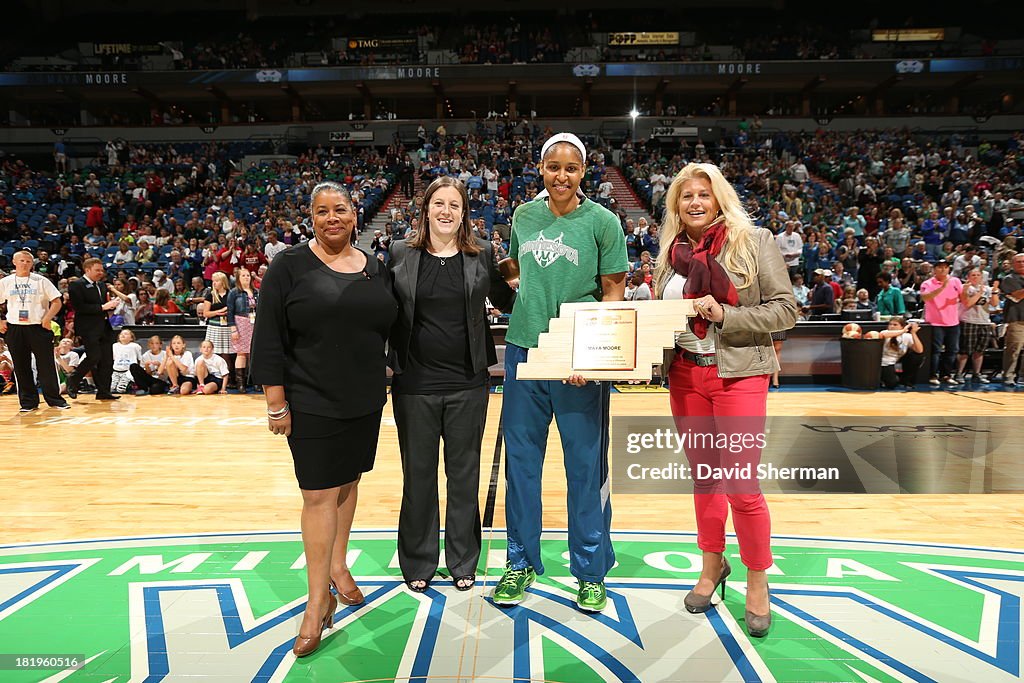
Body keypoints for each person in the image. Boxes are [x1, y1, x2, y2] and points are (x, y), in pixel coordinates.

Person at [250, 181, 398, 657]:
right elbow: (269, 334)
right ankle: (317, 604)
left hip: (365, 398)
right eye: (321, 211)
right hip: (310, 398)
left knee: (349, 482)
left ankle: (338, 567)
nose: (331, 217)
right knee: (317, 494)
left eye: (340, 209)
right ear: (311, 217)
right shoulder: (289, 265)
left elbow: (387, 324)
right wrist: (276, 401)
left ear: (355, 215)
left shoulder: (375, 267)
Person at [655, 162, 798, 638]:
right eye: (686, 196)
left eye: (703, 194)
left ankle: (758, 581)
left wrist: (728, 314)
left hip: (738, 375)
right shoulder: (669, 253)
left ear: (719, 198)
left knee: (741, 485)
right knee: (705, 479)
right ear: (676, 204)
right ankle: (712, 565)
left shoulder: (754, 240)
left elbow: (785, 309)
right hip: (685, 376)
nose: (695, 203)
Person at [492, 133, 628, 614]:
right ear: (541, 169)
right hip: (524, 352)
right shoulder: (524, 216)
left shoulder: (604, 222)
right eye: (553, 166)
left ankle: (590, 572)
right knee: (522, 466)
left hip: (578, 360)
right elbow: (515, 271)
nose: (561, 175)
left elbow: (614, 295)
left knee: (585, 469)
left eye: (571, 167)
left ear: (583, 172)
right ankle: (520, 562)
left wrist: (591, 357)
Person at [387, 176, 515, 593]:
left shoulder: (480, 255)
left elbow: (508, 301)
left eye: (454, 205)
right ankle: (419, 562)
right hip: (414, 384)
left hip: (467, 384)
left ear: (464, 213)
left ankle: (463, 561)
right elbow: (379, 308)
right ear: (425, 209)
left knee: (463, 476)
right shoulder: (400, 253)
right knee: (418, 476)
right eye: (438, 203)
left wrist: (542, 282)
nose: (446, 211)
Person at [0, 251, 70, 411]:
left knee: (46, 365)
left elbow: (57, 302)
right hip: (15, 328)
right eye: (22, 260)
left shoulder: (41, 281)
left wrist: (47, 318)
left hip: (38, 327)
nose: (25, 264)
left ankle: (55, 400)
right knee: (21, 366)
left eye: (28, 261)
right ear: (14, 262)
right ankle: (28, 403)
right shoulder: (6, 282)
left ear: (32, 264)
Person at [66, 258, 121, 401]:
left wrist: (111, 306)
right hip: (87, 328)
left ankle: (103, 391)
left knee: (107, 361)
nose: (100, 273)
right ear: (87, 270)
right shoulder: (76, 285)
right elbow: (80, 307)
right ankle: (73, 379)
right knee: (94, 356)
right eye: (97, 270)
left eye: (101, 270)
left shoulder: (101, 285)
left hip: (104, 326)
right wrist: (103, 307)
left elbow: (101, 306)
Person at [919, 259, 963, 386]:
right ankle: (933, 375)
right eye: (940, 267)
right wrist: (942, 288)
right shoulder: (927, 283)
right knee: (935, 351)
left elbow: (962, 298)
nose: (943, 269)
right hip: (935, 322)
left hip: (953, 322)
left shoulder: (955, 281)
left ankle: (946, 375)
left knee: (952, 350)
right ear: (934, 270)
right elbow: (925, 297)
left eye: (945, 267)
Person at [955, 267, 999, 383]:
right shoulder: (965, 288)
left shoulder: (988, 289)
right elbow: (968, 303)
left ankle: (977, 374)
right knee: (965, 350)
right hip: (968, 321)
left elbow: (994, 304)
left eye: (978, 275)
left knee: (980, 350)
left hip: (984, 322)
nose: (976, 277)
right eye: (973, 275)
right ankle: (958, 373)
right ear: (968, 277)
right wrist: (979, 293)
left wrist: (994, 291)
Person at [226, 268, 259, 393]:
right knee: (241, 353)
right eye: (243, 275)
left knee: (254, 354)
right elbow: (230, 311)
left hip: (254, 324)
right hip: (240, 323)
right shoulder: (234, 292)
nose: (246, 277)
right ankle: (241, 384)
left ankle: (256, 382)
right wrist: (233, 328)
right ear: (238, 278)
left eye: (248, 275)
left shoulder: (256, 292)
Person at [999, 253, 1024, 385]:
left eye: (1023, 261)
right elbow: (1018, 295)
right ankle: (1008, 376)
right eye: (1018, 262)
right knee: (1014, 349)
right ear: (1013, 264)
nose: (1022, 264)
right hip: (1017, 319)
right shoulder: (1009, 279)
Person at [110, 328, 143, 394]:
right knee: (112, 389)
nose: (123, 335)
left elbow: (139, 358)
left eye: (126, 334)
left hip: (128, 371)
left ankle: (131, 384)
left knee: (120, 390)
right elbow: (114, 358)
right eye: (121, 334)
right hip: (116, 371)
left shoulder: (135, 346)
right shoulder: (115, 346)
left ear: (131, 338)